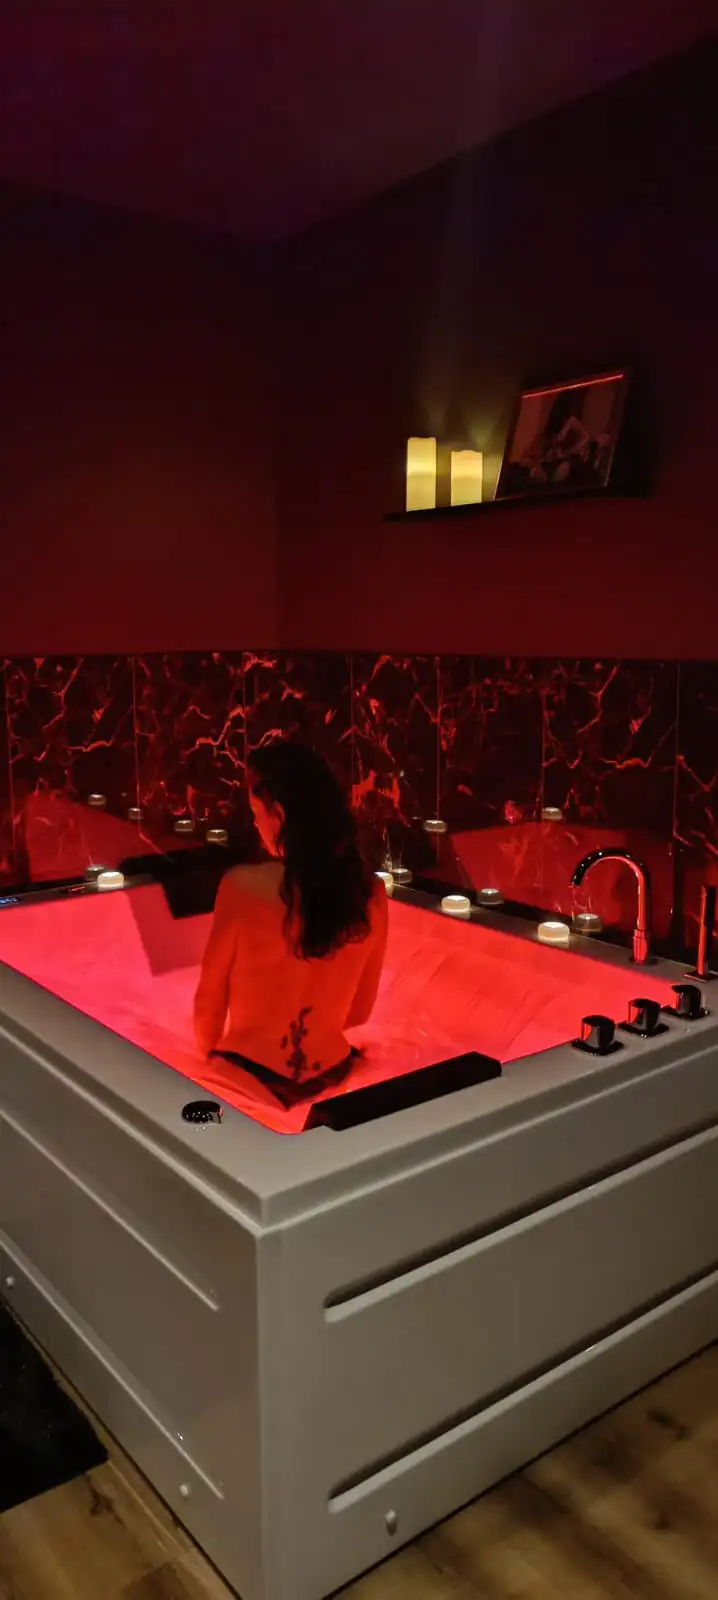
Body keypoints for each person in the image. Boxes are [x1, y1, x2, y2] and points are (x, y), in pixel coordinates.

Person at [194, 741, 389, 1107]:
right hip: (334, 1074)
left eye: (256, 811)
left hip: (248, 1077)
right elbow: (360, 1011)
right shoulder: (371, 892)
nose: (255, 823)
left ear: (280, 815)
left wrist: (206, 1060)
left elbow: (209, 1007)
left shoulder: (242, 886)